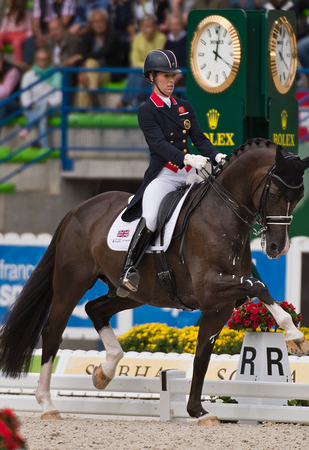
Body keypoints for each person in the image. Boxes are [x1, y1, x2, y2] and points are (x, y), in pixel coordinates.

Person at [117, 49, 226, 297]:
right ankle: (129, 270)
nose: (170, 81)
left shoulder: (184, 107)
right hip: (165, 174)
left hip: (191, 172)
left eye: (173, 76)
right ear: (152, 77)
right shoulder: (147, 111)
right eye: (165, 76)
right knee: (153, 216)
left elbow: (199, 138)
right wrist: (186, 157)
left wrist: (217, 156)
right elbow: (159, 145)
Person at [76, 9, 124, 108]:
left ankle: (80, 113)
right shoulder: (87, 37)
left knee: (90, 63)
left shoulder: (113, 36)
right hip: (92, 73)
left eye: (101, 21)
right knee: (87, 72)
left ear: (106, 22)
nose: (99, 24)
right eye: (96, 22)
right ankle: (93, 95)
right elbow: (82, 55)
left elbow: (103, 52)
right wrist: (83, 71)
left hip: (109, 72)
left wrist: (83, 57)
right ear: (91, 24)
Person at [116, 15, 167, 108]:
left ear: (154, 26)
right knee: (135, 73)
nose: (149, 29)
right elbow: (134, 60)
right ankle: (132, 103)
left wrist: (149, 40)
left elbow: (156, 58)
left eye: (151, 26)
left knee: (144, 75)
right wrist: (145, 66)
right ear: (141, 27)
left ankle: (127, 102)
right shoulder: (137, 39)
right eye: (146, 26)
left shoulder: (161, 37)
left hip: (156, 69)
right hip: (141, 69)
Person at [19, 48, 62, 149]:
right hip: (32, 107)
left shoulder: (57, 75)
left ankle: (26, 128)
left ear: (49, 60)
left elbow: (59, 98)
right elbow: (24, 96)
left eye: (45, 59)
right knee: (42, 117)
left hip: (53, 108)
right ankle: (45, 146)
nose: (43, 62)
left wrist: (44, 104)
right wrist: (31, 105)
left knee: (43, 105)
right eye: (40, 59)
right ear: (35, 60)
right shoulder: (28, 75)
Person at [23, 0, 76, 65]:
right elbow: (35, 24)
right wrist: (40, 37)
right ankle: (31, 69)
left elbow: (64, 23)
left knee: (58, 38)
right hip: (43, 30)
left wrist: (47, 36)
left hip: (61, 29)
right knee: (30, 42)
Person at [0, 0, 32, 64]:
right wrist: (0, 33)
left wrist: (27, 36)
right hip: (10, 33)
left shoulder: (26, 12)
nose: (8, 2)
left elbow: (30, 27)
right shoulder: (7, 11)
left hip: (21, 34)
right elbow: (4, 26)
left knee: (16, 43)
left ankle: (19, 64)